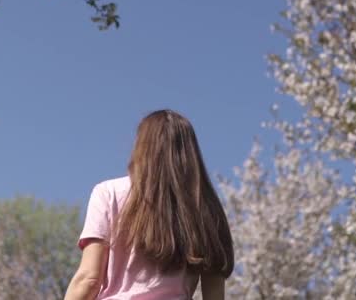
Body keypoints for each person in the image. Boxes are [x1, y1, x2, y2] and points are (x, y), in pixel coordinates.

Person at [64, 109, 234, 300]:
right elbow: (214, 295)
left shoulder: (108, 193)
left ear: (141, 147)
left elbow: (89, 279)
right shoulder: (206, 209)